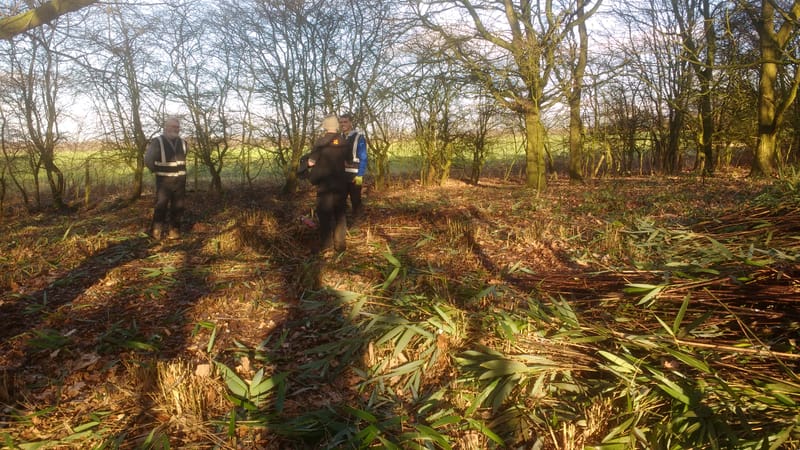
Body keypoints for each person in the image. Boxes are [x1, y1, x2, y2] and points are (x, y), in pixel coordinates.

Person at [306, 115, 349, 253]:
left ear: (325, 126)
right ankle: (340, 245)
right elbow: (348, 161)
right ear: (337, 126)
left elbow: (311, 162)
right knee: (340, 215)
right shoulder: (343, 141)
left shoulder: (320, 142)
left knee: (325, 215)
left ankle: (326, 246)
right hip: (341, 185)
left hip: (325, 187)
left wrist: (306, 164)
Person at [144, 116, 187, 240]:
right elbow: (148, 160)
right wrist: (157, 171)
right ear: (165, 127)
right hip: (164, 182)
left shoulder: (184, 143)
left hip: (180, 182)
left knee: (178, 207)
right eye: (172, 126)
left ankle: (174, 232)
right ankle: (156, 233)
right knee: (161, 207)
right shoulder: (157, 141)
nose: (175, 129)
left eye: (177, 127)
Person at [339, 113, 368, 218]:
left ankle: (358, 221)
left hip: (355, 175)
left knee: (356, 200)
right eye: (341, 122)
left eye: (345, 122)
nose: (343, 124)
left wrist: (360, 175)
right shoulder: (338, 138)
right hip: (341, 175)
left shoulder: (359, 138)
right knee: (340, 200)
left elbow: (364, 158)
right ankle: (343, 223)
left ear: (351, 123)